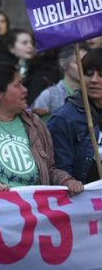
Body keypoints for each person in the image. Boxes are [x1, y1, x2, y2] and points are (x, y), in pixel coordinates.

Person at [0, 62, 83, 194]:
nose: (25, 89)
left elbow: (49, 169)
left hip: (34, 209)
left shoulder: (35, 123)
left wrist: (67, 181)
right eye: (17, 85)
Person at [48, 48, 102, 183]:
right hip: (85, 200)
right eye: (88, 74)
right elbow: (60, 172)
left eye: (101, 74)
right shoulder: (64, 118)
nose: (94, 80)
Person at [32, 44, 88, 120]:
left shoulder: (91, 93)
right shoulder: (49, 95)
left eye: (86, 63)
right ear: (62, 63)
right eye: (78, 63)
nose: (83, 68)